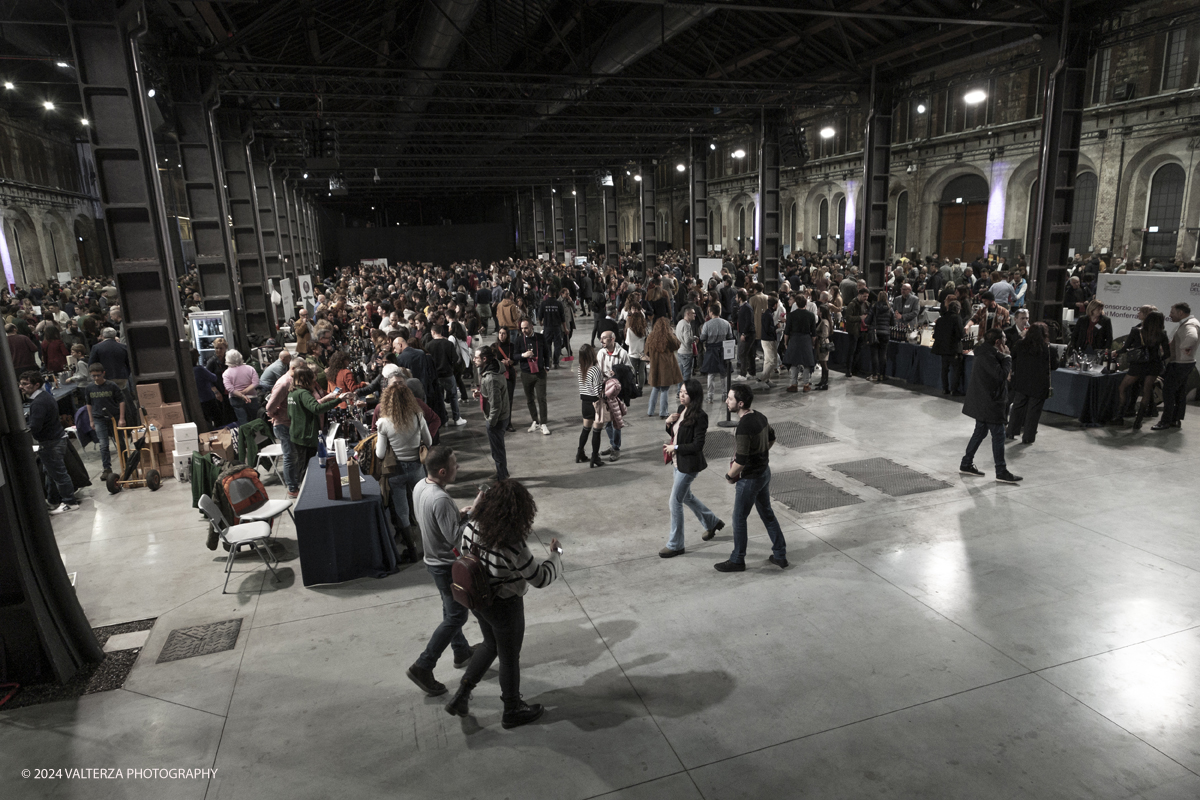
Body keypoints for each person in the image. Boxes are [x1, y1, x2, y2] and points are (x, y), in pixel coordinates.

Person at [444, 478, 562, 729]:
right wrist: (556, 555)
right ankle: (512, 709)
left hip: (478, 600)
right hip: (505, 606)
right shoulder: (510, 542)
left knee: (490, 644)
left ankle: (462, 695)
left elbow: (464, 553)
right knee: (509, 658)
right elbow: (540, 578)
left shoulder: (471, 526)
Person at [408, 446, 478, 698]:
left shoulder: (421, 487)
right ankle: (423, 666)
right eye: (454, 463)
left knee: (451, 609)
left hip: (432, 560)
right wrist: (473, 516)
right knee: (457, 616)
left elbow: (431, 520)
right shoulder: (441, 499)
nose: (458, 466)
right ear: (442, 470)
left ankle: (461, 651)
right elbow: (456, 540)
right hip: (446, 564)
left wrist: (456, 515)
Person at [714, 384, 787, 572]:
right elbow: (772, 438)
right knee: (767, 513)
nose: (726, 401)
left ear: (740, 403)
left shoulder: (744, 427)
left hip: (750, 479)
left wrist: (730, 476)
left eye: (729, 399)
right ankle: (780, 554)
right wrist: (760, 454)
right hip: (764, 472)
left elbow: (741, 461)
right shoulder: (760, 417)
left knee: (739, 518)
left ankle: (738, 559)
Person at [660, 379, 723, 557]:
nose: (681, 395)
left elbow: (697, 445)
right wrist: (668, 423)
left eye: (685, 393)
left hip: (688, 466)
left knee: (675, 502)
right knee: (686, 496)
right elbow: (677, 435)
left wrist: (676, 448)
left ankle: (676, 544)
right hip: (677, 461)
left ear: (694, 396)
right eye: (680, 392)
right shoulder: (681, 410)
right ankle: (712, 522)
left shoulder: (700, 416)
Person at [376, 382, 432, 561]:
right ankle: (431, 545)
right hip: (417, 467)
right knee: (422, 506)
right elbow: (429, 441)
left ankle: (412, 550)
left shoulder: (383, 423)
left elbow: (380, 453)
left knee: (402, 511)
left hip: (396, 471)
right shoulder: (417, 416)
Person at [959, 329, 1021, 484]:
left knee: (980, 431)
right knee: (999, 435)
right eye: (1004, 339)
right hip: (990, 402)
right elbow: (1001, 375)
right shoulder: (987, 356)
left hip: (984, 401)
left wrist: (1004, 356)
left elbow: (998, 361)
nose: (1006, 343)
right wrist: (1008, 358)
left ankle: (966, 463)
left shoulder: (986, 352)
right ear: (998, 342)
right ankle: (1001, 471)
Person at [19, 371, 80, 514]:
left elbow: (36, 426)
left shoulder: (39, 402)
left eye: (25, 384)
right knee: (51, 472)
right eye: (20, 383)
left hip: (51, 443)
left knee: (58, 474)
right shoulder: (44, 396)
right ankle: (53, 501)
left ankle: (70, 502)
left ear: (36, 385)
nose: (21, 387)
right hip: (55, 440)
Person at [286, 363, 342, 486]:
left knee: (301, 464)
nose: (314, 379)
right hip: (305, 436)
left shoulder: (292, 393)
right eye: (312, 377)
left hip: (296, 434)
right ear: (307, 379)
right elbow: (317, 409)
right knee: (306, 467)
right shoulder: (303, 393)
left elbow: (290, 414)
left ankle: (302, 486)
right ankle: (305, 490)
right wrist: (339, 400)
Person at [1114, 310, 1169, 429]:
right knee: (1147, 391)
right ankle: (1138, 421)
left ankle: (1119, 417)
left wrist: (1116, 352)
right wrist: (1157, 358)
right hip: (1154, 366)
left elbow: (1125, 348)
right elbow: (1167, 354)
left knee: (1122, 387)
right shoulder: (1162, 334)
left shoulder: (1136, 331)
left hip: (1138, 365)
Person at [1007, 322, 1057, 444]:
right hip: (1039, 385)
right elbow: (1054, 366)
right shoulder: (1049, 349)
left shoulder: (1019, 344)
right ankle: (1028, 437)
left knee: (1017, 407)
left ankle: (1011, 432)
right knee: (1033, 412)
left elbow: (1012, 358)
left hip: (1021, 382)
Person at [1155, 302, 1199, 431]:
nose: (1170, 315)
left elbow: (1192, 337)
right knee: (1179, 393)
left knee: (1168, 392)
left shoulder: (1190, 325)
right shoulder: (1191, 322)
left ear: (1181, 313)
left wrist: (1184, 347)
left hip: (1180, 364)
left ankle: (1165, 421)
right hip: (1185, 363)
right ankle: (1175, 419)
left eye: (1172, 312)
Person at [84, 363, 126, 481]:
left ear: (103, 373)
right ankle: (107, 469)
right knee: (103, 444)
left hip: (114, 418)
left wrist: (122, 418)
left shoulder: (112, 385)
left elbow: (121, 401)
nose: (96, 378)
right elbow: (89, 404)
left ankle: (126, 464)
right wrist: (91, 420)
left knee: (120, 442)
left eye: (98, 375)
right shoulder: (89, 388)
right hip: (98, 418)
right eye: (93, 376)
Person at [265, 357, 300, 498]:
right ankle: (292, 488)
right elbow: (270, 406)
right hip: (283, 425)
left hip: (289, 423)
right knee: (289, 456)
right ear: (293, 368)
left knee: (293, 455)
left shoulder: (291, 381)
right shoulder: (284, 383)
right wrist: (275, 414)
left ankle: (295, 483)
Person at [474, 345, 510, 480]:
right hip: (499, 416)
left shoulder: (491, 378)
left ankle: (502, 477)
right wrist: (481, 393)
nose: (474, 360)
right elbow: (493, 394)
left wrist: (491, 422)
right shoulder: (493, 368)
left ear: (484, 359)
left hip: (497, 419)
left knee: (497, 449)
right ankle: (502, 472)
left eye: (477, 357)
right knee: (498, 448)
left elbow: (496, 404)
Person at [596, 329, 631, 461]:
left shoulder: (622, 353)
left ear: (612, 339)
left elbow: (630, 371)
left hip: (617, 392)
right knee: (607, 421)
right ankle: (613, 444)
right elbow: (597, 370)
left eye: (604, 338)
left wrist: (618, 372)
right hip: (604, 391)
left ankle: (616, 448)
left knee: (616, 421)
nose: (601, 341)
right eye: (601, 338)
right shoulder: (600, 353)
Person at [515, 319, 550, 435]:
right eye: (522, 328)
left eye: (526, 328)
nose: (524, 330)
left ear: (531, 327)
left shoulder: (540, 337)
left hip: (540, 373)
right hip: (526, 373)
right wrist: (523, 355)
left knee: (541, 398)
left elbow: (546, 352)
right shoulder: (519, 340)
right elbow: (514, 356)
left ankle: (543, 423)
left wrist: (547, 366)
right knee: (530, 399)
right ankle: (535, 421)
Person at [426, 325, 467, 426]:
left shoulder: (428, 345)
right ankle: (457, 418)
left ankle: (443, 419)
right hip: (448, 374)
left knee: (439, 398)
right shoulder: (448, 344)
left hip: (436, 376)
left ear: (432, 332)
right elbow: (455, 359)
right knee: (453, 396)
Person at [574, 344, 606, 468]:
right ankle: (595, 457)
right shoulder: (595, 369)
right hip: (595, 403)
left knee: (585, 429)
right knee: (597, 431)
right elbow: (597, 390)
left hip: (585, 403)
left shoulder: (580, 368)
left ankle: (580, 453)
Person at [645, 317, 683, 418]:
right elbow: (677, 345)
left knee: (655, 388)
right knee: (665, 389)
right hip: (666, 366)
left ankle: (650, 411)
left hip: (655, 366)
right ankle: (663, 412)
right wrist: (673, 333)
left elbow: (646, 352)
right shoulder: (668, 337)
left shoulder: (650, 336)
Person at [698, 304, 734, 402]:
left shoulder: (707, 324)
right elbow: (730, 337)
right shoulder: (726, 323)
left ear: (711, 312)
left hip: (711, 351)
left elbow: (702, 338)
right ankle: (725, 395)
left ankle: (710, 397)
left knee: (711, 375)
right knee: (724, 374)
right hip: (723, 350)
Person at [781, 297, 817, 393]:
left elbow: (787, 331)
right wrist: (813, 343)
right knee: (807, 363)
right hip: (806, 339)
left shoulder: (791, 315)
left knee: (794, 362)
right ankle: (806, 385)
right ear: (806, 303)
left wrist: (785, 343)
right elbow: (814, 333)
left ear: (796, 304)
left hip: (794, 339)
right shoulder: (811, 315)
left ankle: (794, 384)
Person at [933, 300, 966, 395]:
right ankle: (954, 390)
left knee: (944, 369)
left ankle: (945, 389)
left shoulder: (940, 319)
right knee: (956, 370)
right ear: (958, 309)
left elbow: (935, 335)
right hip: (954, 348)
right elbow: (960, 334)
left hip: (943, 349)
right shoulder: (957, 318)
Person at [223, 349, 260, 425]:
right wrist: (245, 392)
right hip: (252, 397)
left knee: (243, 422)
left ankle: (247, 436)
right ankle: (258, 435)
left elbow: (229, 388)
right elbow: (256, 382)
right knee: (255, 420)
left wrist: (242, 395)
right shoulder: (250, 368)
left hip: (236, 399)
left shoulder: (226, 373)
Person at [192, 348, 225, 429]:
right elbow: (214, 378)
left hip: (196, 401)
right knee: (218, 419)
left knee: (206, 422)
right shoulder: (199, 369)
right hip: (207, 398)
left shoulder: (187, 370)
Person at [494, 326, 518, 431]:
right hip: (498, 376)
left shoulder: (512, 346)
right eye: (500, 333)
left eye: (504, 333)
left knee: (509, 400)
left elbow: (516, 359)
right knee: (498, 400)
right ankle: (498, 421)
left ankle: (508, 422)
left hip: (509, 376)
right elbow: (490, 361)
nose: (501, 335)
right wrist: (500, 363)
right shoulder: (494, 347)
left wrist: (511, 361)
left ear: (507, 335)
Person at [844, 287, 871, 378]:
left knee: (858, 351)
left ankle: (855, 369)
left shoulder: (867, 304)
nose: (866, 298)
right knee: (851, 351)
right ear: (859, 295)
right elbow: (848, 317)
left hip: (863, 330)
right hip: (854, 331)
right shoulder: (852, 304)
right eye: (864, 296)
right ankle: (848, 369)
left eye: (867, 296)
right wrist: (860, 318)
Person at [865, 290, 892, 382]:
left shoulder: (874, 307)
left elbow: (867, 321)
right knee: (883, 355)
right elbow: (893, 322)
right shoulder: (890, 308)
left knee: (874, 355)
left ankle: (875, 375)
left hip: (875, 333)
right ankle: (882, 375)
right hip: (885, 333)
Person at [675, 306, 697, 383]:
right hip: (686, 353)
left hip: (680, 351)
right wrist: (694, 338)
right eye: (693, 313)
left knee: (680, 375)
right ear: (688, 314)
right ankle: (686, 392)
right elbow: (687, 340)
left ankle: (679, 393)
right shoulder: (686, 325)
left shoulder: (680, 323)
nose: (695, 315)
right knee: (687, 375)